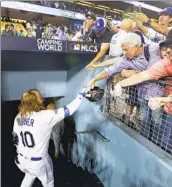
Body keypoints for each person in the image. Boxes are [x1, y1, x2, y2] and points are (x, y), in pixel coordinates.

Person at [88, 32, 164, 142]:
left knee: (158, 123)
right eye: (123, 50)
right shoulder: (125, 59)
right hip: (142, 95)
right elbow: (110, 70)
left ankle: (159, 146)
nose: (124, 52)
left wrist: (134, 72)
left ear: (136, 46)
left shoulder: (155, 49)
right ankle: (145, 143)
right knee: (145, 122)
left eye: (126, 49)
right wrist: (94, 79)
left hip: (159, 97)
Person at [12, 87, 88, 187]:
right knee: (48, 183)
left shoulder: (19, 116)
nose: (42, 99)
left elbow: (15, 139)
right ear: (33, 101)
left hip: (21, 161)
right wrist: (82, 93)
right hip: (37, 163)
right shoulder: (44, 116)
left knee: (29, 176)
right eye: (39, 97)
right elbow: (69, 110)